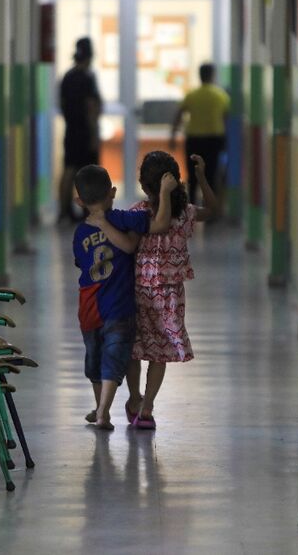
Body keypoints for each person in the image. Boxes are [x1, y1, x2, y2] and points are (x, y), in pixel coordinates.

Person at [96, 151, 218, 429]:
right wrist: (200, 177)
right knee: (157, 352)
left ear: (144, 185)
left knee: (137, 349)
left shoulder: (142, 213)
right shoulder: (182, 213)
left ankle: (139, 400)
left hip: (141, 292)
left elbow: (127, 242)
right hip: (169, 296)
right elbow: (213, 210)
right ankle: (144, 404)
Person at [73, 164, 177, 430]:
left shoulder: (79, 233)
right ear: (113, 192)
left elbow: (80, 264)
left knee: (94, 360)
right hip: (118, 305)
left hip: (89, 306)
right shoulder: (122, 219)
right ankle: (103, 411)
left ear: (78, 201)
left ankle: (100, 409)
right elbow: (162, 223)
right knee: (113, 360)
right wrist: (165, 193)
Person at [169, 63, 230, 205]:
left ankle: (191, 207)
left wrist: (173, 135)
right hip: (214, 139)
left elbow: (179, 115)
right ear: (213, 76)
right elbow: (226, 119)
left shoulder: (191, 95)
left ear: (200, 75)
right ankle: (209, 209)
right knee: (211, 174)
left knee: (193, 175)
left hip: (194, 139)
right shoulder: (221, 96)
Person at [59, 38, 103, 223]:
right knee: (89, 174)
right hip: (85, 131)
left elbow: (62, 104)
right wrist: (93, 135)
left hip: (71, 129)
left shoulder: (67, 77)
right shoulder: (87, 78)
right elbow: (91, 108)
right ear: (90, 56)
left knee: (68, 170)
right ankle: (89, 211)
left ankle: (64, 211)